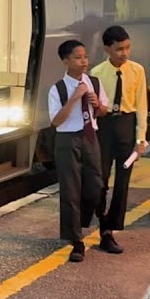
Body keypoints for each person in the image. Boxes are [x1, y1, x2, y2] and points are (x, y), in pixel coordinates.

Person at [48, 39, 109, 263]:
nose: (84, 61)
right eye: (78, 57)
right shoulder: (58, 89)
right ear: (66, 61)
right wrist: (75, 97)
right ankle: (76, 240)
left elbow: (103, 111)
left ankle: (84, 220)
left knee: (96, 185)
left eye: (85, 57)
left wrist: (97, 105)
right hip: (67, 139)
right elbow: (56, 121)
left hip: (90, 136)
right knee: (70, 189)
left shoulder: (94, 81)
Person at [92, 26, 146, 254]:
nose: (124, 53)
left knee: (122, 182)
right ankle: (101, 221)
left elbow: (142, 105)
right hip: (104, 128)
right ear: (107, 49)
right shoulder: (96, 73)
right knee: (101, 179)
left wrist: (141, 137)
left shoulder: (137, 71)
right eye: (119, 49)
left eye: (127, 47)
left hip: (126, 123)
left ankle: (110, 231)